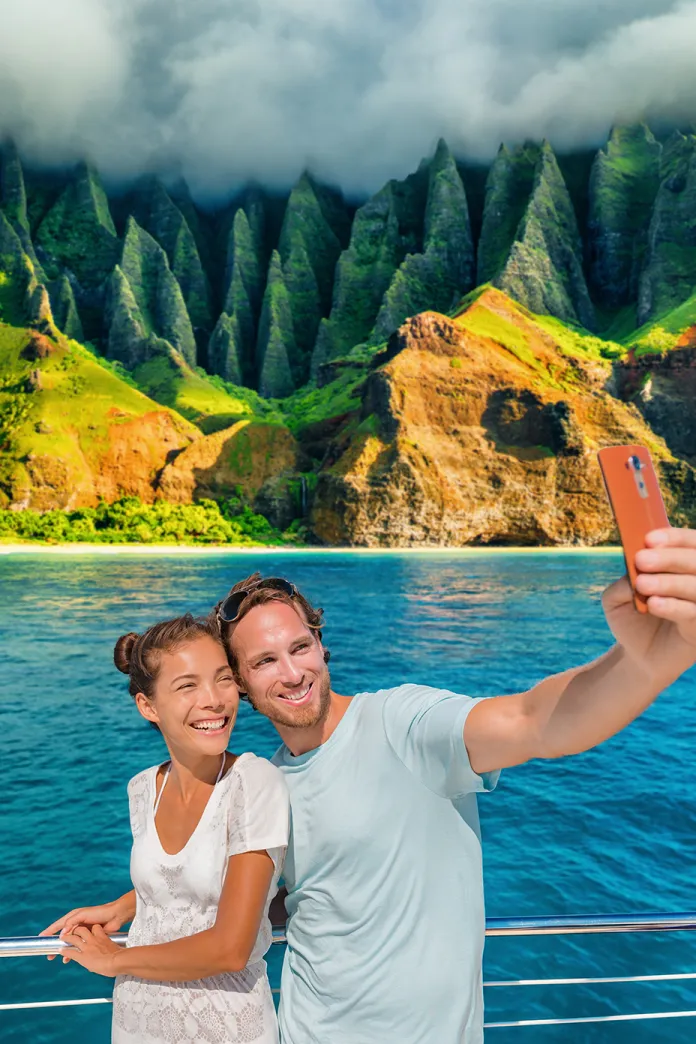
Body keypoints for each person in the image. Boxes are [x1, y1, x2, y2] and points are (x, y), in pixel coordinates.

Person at [211, 526, 696, 1044]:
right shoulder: (264, 782)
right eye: (264, 661)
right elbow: (295, 892)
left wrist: (650, 662)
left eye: (300, 647)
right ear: (239, 683)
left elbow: (534, 721)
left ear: (321, 646)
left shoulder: (402, 724)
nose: (291, 672)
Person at [40, 613, 289, 1044]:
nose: (213, 700)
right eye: (187, 685)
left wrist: (115, 959)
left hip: (225, 1027)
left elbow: (230, 947)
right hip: (137, 1019)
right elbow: (190, 875)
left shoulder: (253, 783)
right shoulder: (142, 790)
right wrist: (123, 907)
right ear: (148, 705)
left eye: (223, 679)